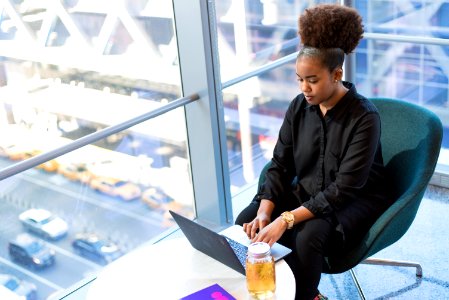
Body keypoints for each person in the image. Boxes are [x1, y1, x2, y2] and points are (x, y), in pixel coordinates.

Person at [235, 4, 393, 300]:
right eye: (299, 79)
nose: (304, 88)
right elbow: (280, 164)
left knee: (308, 236)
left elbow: (345, 188)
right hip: (310, 190)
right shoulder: (299, 106)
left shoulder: (364, 117)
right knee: (245, 222)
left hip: (354, 198)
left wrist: (287, 219)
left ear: (336, 74)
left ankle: (306, 295)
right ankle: (274, 289)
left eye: (312, 80)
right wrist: (265, 211)